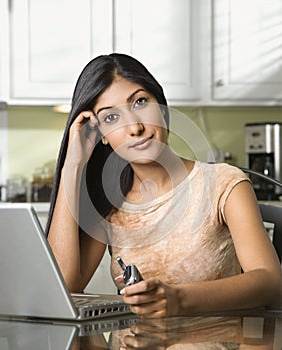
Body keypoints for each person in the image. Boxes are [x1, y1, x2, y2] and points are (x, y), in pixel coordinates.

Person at [47, 53, 282, 318]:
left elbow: (270, 283)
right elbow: (65, 287)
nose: (134, 127)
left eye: (140, 102)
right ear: (99, 134)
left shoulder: (224, 184)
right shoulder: (111, 204)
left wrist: (177, 298)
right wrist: (73, 165)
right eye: (111, 118)